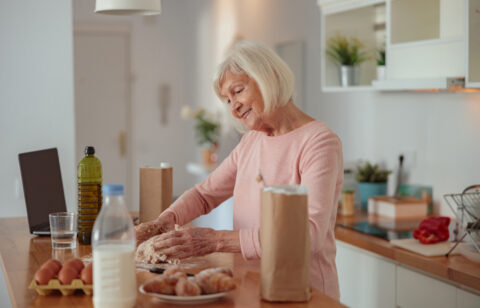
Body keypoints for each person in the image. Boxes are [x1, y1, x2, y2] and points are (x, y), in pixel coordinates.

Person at [135, 40, 343, 300]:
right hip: (252, 287)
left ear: (270, 77)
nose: (233, 107)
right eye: (227, 100)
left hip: (305, 293)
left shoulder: (318, 141)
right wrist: (165, 220)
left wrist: (215, 241)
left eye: (238, 91)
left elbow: (307, 235)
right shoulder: (251, 141)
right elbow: (204, 195)